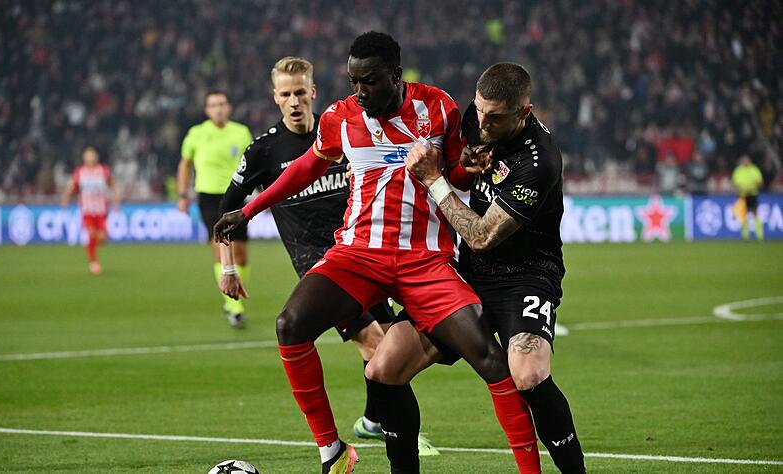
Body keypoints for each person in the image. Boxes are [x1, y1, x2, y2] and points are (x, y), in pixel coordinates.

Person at [215, 32, 541, 474]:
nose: (359, 91)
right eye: (353, 81)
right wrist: (250, 209)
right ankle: (331, 449)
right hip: (357, 255)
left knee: (488, 357)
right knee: (290, 325)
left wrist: (469, 166)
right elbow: (307, 167)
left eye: (369, 81)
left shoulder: (438, 107)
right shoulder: (340, 117)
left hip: (426, 260)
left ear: (395, 75)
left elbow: (458, 177)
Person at [215, 55, 436, 459]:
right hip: (319, 263)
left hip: (364, 252)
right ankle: (395, 429)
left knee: (392, 342)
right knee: (374, 340)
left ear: (313, 92)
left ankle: (373, 420)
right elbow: (228, 208)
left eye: (301, 92)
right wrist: (227, 267)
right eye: (286, 94)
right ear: (275, 98)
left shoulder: (349, 128)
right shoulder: (264, 150)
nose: (295, 101)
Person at [398, 62, 587, 473]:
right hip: (469, 274)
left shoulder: (538, 163)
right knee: (386, 364)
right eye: (479, 110)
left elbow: (481, 235)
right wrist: (462, 163)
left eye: (495, 116)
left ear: (524, 112)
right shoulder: (477, 117)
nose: (481, 122)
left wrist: (435, 180)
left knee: (529, 373)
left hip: (527, 274)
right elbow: (464, 174)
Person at [177, 91, 253, 326]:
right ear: (207, 110)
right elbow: (185, 163)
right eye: (213, 105)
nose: (218, 108)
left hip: (236, 195)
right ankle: (234, 306)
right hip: (209, 197)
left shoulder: (241, 132)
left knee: (240, 253)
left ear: (228, 107)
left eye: (222, 104)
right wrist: (182, 194)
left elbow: (253, 163)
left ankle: (233, 298)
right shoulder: (196, 134)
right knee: (220, 247)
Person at [61, 146, 119, 275]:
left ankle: (94, 249)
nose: (90, 157)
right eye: (87, 155)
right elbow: (72, 188)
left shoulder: (103, 171)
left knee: (102, 238)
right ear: (84, 158)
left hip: (101, 211)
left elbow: (112, 186)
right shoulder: (80, 172)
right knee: (91, 234)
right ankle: (93, 262)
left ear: (96, 157)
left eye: (92, 155)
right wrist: (66, 199)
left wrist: (116, 202)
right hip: (87, 210)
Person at [731, 154, 764, 240]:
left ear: (750, 161)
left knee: (755, 213)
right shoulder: (738, 170)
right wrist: (740, 188)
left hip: (752, 194)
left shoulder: (754, 169)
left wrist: (753, 187)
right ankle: (745, 235)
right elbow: (734, 182)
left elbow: (760, 182)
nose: (745, 161)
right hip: (742, 195)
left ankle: (760, 234)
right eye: (744, 160)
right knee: (743, 215)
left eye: (747, 160)